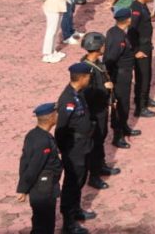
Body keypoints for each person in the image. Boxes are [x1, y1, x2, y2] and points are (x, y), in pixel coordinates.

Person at [56, 62, 96, 233]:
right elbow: (61, 128)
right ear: (83, 78)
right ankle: (69, 222)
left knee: (80, 179)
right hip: (74, 148)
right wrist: (65, 149)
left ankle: (76, 210)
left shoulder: (78, 94)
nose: (90, 80)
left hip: (83, 145)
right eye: (88, 77)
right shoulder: (68, 99)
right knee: (72, 184)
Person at [16, 102, 62, 234]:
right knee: (44, 225)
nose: (58, 115)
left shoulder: (33, 134)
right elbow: (33, 167)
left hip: (41, 187)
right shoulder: (43, 141)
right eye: (56, 113)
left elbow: (24, 161)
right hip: (44, 189)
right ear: (51, 117)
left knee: (40, 222)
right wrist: (23, 190)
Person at [79, 32, 114, 190]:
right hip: (94, 112)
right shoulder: (87, 69)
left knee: (101, 138)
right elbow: (87, 93)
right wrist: (104, 88)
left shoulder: (96, 63)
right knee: (95, 143)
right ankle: (94, 176)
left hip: (102, 109)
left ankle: (101, 165)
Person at [104, 8, 136, 150]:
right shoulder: (120, 38)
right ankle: (118, 136)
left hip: (122, 74)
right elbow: (111, 58)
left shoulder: (113, 31)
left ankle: (124, 127)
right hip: (121, 76)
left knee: (124, 103)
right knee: (122, 105)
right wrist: (111, 76)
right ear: (128, 19)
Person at [129, 0, 155, 120]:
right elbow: (131, 32)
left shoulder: (142, 6)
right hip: (141, 48)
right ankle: (140, 108)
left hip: (146, 46)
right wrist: (136, 51)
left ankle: (145, 99)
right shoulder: (135, 9)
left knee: (147, 75)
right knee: (142, 77)